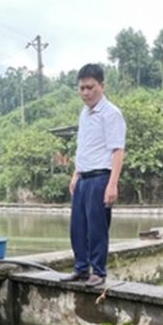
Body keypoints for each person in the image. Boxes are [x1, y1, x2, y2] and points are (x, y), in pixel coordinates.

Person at [60, 63, 126, 288]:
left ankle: (98, 271)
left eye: (90, 87)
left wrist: (112, 184)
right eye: (82, 88)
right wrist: (75, 174)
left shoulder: (111, 114)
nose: (86, 93)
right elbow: (84, 146)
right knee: (77, 226)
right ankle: (81, 268)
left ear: (102, 86)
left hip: (100, 178)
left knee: (97, 227)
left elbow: (117, 150)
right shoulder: (84, 114)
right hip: (83, 177)